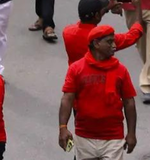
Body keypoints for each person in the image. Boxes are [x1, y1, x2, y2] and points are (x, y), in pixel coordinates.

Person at [58, 25, 138, 160]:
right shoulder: (76, 69)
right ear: (96, 44)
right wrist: (63, 127)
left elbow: (129, 102)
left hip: (113, 138)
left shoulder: (121, 71)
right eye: (109, 42)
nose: (114, 46)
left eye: (114, 41)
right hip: (84, 137)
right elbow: (67, 99)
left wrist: (131, 133)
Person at [61, 0, 144, 65]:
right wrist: (138, 8)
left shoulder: (67, 32)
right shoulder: (102, 38)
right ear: (97, 15)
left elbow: (86, 23)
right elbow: (133, 35)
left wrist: (106, 8)